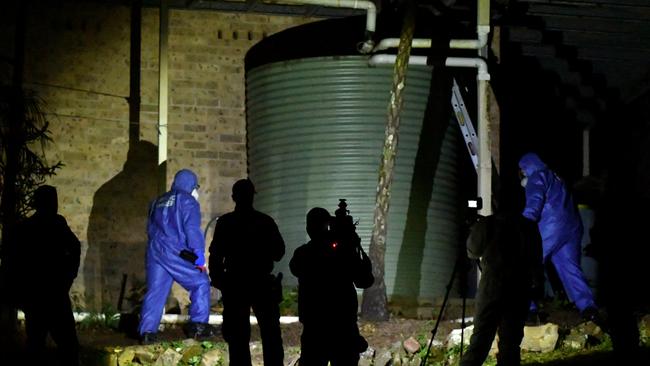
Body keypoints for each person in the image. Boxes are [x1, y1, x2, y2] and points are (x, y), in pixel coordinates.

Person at [209, 178, 285, 366]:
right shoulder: (265, 222)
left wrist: (219, 279)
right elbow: (279, 253)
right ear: (252, 197)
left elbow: (216, 255)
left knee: (237, 339)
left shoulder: (226, 223)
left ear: (234, 197)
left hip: (235, 284)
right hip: (261, 283)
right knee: (271, 335)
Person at [459, 205, 543, 366]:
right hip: (520, 287)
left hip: (493, 287)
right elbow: (536, 260)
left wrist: (473, 228)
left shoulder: (488, 224)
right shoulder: (529, 226)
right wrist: (537, 285)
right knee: (511, 342)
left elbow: (472, 251)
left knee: (481, 338)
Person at [137, 169, 214, 344]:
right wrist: (199, 257)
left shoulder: (157, 201)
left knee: (156, 291)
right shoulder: (187, 201)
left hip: (155, 251)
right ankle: (198, 326)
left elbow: (150, 229)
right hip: (175, 251)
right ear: (191, 186)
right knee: (201, 282)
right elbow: (192, 230)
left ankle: (147, 333)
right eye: (196, 187)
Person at [518, 152, 598, 320]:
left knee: (523, 263)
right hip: (572, 228)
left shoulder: (537, 177)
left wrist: (523, 226)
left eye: (522, 171)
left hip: (551, 227)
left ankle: (527, 309)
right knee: (570, 268)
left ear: (526, 168)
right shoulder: (556, 177)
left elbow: (534, 203)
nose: (522, 175)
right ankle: (588, 307)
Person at [290, 206, 374, 366]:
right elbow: (364, 280)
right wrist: (351, 244)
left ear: (309, 228)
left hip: (315, 329)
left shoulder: (303, 254)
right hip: (343, 328)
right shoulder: (342, 252)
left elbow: (295, 268)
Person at [11, 185, 81, 365]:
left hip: (38, 294)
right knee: (66, 346)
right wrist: (68, 276)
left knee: (37, 344)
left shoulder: (26, 227)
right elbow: (74, 248)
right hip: (51, 293)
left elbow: (16, 263)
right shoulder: (56, 224)